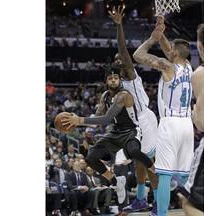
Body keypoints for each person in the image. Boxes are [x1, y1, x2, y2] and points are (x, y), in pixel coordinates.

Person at [61, 63, 155, 205]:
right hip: (115, 132)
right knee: (91, 158)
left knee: (134, 151)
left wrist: (79, 120)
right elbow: (99, 115)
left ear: (120, 80)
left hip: (131, 131)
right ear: (106, 81)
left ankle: (155, 170)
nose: (112, 80)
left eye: (115, 78)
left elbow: (107, 119)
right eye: (110, 78)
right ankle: (116, 181)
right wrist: (76, 119)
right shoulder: (105, 96)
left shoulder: (123, 95)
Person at [133, 16, 194, 216]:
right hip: (187, 124)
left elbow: (138, 55)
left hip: (170, 124)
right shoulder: (189, 67)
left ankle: (161, 214)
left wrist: (152, 39)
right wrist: (162, 34)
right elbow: (172, 51)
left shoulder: (167, 67)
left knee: (164, 174)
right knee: (185, 176)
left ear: (173, 53)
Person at [108, 6, 159, 214]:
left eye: (122, 59)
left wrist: (119, 25)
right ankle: (140, 199)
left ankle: (158, 202)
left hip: (145, 120)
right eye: (117, 60)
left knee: (148, 163)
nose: (120, 60)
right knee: (139, 162)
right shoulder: (117, 85)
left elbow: (122, 50)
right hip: (134, 124)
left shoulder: (129, 73)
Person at [179, 23, 204, 216]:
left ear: (200, 45)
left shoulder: (202, 73)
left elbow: (203, 123)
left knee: (189, 204)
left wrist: (194, 113)